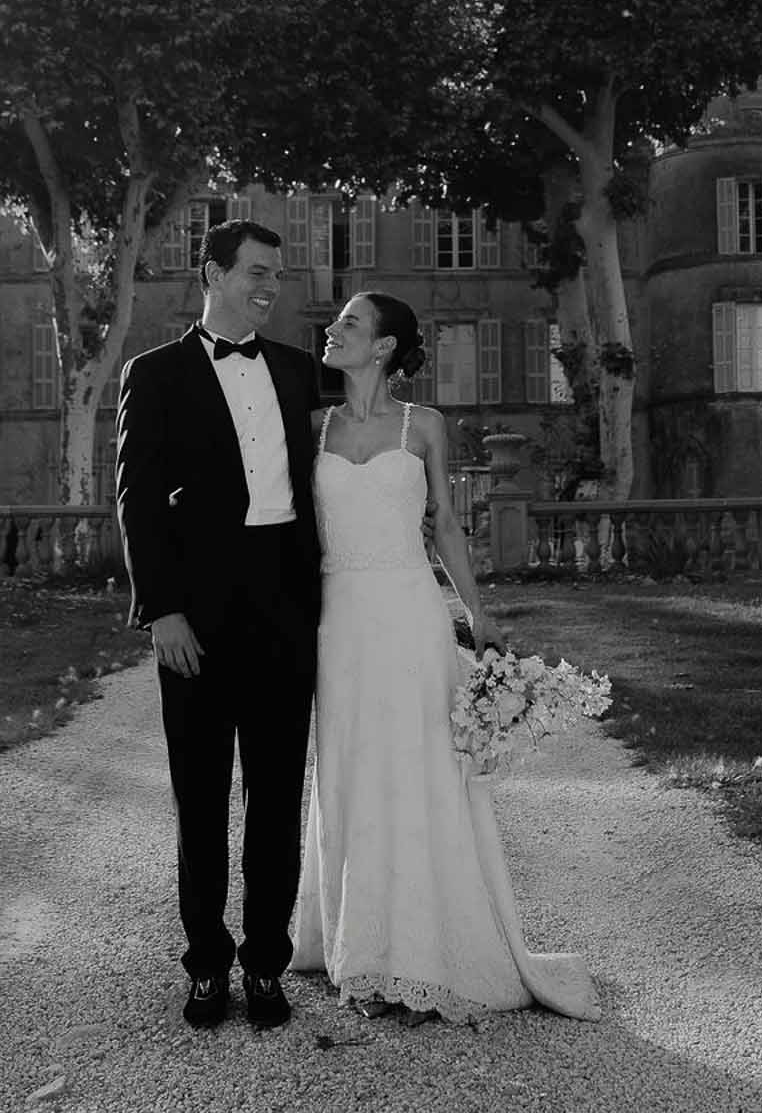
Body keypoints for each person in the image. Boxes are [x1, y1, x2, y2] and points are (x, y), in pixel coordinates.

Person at [291, 291, 601, 1025]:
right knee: (350, 768)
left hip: (409, 612)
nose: (333, 331)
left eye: (350, 324)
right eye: (336, 322)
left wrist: (477, 614)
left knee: (421, 771)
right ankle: (360, 950)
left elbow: (448, 531)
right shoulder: (310, 428)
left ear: (385, 347)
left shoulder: (424, 426)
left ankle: (426, 953)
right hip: (337, 620)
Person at [115, 220, 321, 1032]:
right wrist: (160, 608)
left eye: (277, 275)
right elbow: (135, 499)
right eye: (256, 273)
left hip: (283, 609)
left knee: (275, 800)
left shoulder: (302, 372)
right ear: (212, 273)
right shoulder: (154, 374)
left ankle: (265, 965)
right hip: (193, 618)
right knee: (198, 800)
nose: (270, 287)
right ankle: (205, 966)